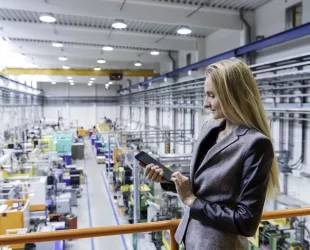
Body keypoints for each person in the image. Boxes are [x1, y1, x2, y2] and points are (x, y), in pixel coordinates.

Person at [139, 59, 280, 250]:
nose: (206, 104)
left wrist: (191, 201)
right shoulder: (210, 129)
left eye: (211, 95)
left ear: (233, 95)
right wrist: (167, 179)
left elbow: (245, 222)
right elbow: (203, 187)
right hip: (190, 239)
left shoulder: (255, 144)